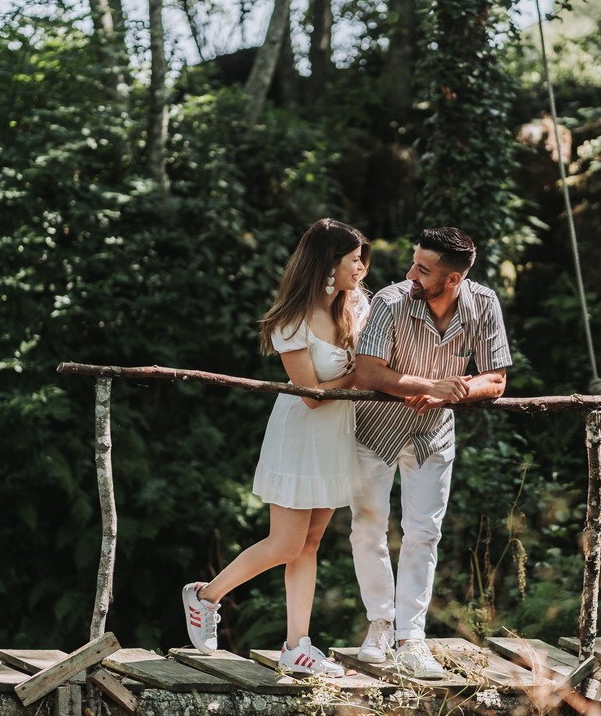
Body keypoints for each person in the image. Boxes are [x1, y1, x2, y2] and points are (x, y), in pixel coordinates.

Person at [182, 218, 370, 678]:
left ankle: (296, 646)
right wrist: (363, 376)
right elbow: (311, 395)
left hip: (336, 436)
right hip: (300, 435)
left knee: (310, 544)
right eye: (353, 260)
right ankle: (205, 596)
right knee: (286, 543)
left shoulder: (357, 307)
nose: (361, 268)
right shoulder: (291, 320)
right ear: (328, 263)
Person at [348, 227, 511, 679]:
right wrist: (430, 387)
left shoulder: (484, 304)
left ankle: (411, 638)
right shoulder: (390, 301)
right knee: (368, 529)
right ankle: (380, 624)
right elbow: (366, 372)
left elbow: (496, 379)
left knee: (424, 533)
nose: (410, 274)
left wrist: (454, 393)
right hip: (375, 429)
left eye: (422, 269)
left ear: (453, 278)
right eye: (413, 263)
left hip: (434, 435)